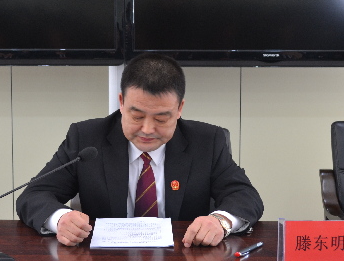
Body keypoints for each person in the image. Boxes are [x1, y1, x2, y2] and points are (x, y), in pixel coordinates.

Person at [16, 53, 263, 247]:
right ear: (122, 103)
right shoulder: (87, 138)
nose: (147, 129)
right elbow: (34, 195)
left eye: (161, 119)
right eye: (137, 116)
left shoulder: (206, 141)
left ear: (179, 109)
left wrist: (220, 222)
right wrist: (61, 219)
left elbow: (245, 196)